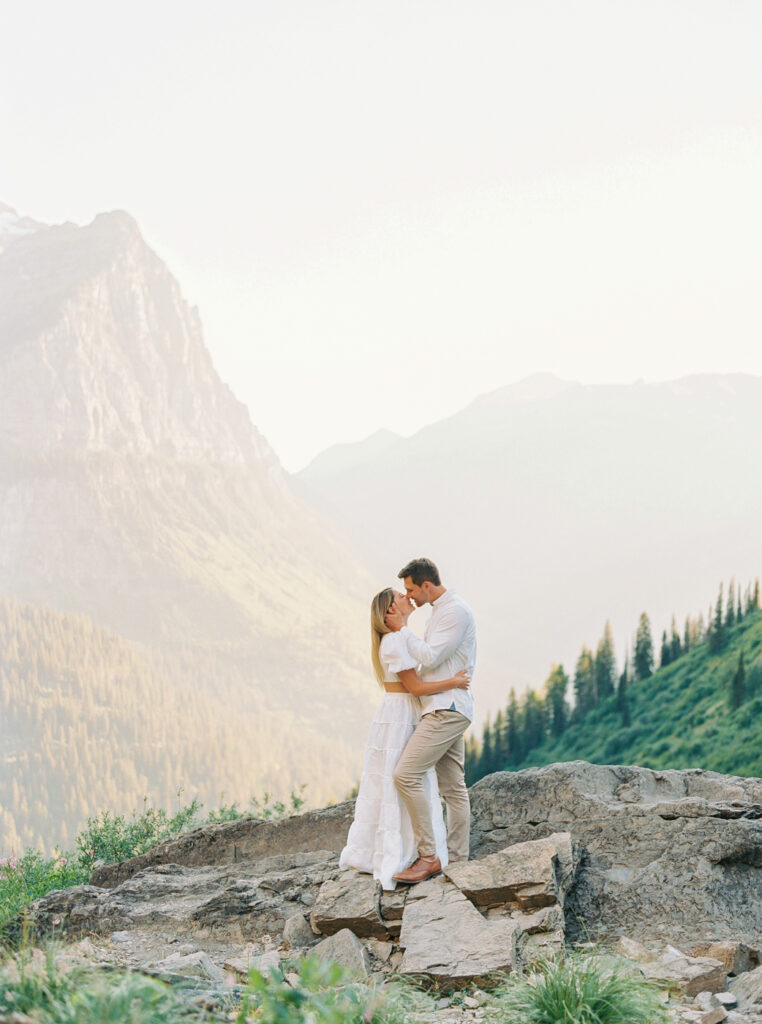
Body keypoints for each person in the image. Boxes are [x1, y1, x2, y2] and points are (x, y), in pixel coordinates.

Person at [339, 587, 470, 890]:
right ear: (389, 612)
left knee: (406, 780)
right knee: (404, 778)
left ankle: (423, 852)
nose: (406, 597)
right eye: (400, 595)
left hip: (408, 712)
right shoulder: (395, 641)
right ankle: (420, 853)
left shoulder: (399, 638)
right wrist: (455, 682)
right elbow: (414, 687)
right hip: (402, 716)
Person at [385, 557, 476, 884]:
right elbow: (432, 664)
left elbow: (430, 656)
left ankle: (429, 857)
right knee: (453, 787)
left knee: (405, 774)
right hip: (445, 705)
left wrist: (401, 631)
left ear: (426, 585)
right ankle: (459, 863)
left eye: (411, 589)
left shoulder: (454, 612)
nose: (408, 596)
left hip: (445, 708)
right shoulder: (442, 611)